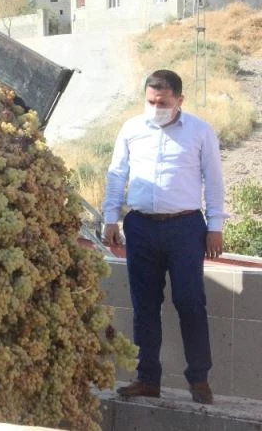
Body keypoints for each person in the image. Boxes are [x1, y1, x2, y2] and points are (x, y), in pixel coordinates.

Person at [102, 69, 227, 405]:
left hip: (185, 229)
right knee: (144, 306)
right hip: (140, 227)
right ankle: (147, 378)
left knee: (190, 302)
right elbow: (117, 174)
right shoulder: (131, 129)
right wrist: (110, 217)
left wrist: (216, 226)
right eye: (150, 101)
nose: (156, 107)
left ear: (179, 101)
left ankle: (199, 379)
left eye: (163, 102)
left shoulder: (200, 131)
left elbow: (214, 181)